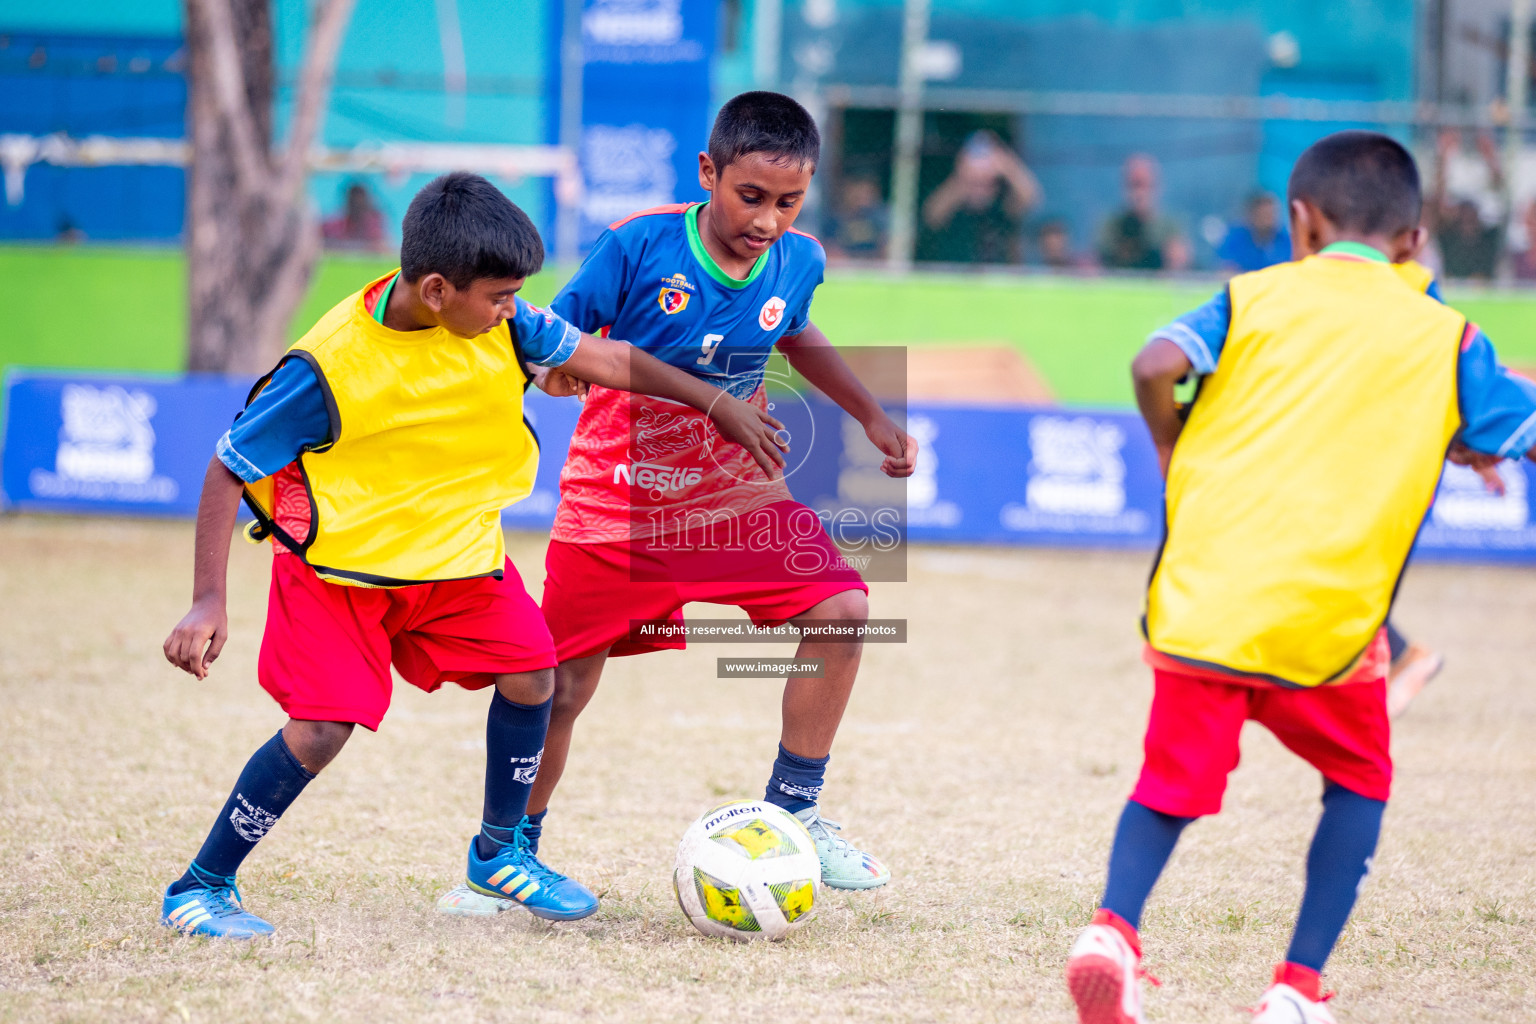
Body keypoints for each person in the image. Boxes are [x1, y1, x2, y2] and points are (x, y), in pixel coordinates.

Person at [157, 172, 789, 938]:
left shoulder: (507, 323)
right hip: (341, 574)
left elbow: (609, 360)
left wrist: (717, 402)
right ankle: (200, 886)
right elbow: (229, 464)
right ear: (434, 289)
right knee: (321, 731)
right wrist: (207, 599)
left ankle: (498, 853)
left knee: (534, 673)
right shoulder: (327, 366)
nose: (511, 310)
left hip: (457, 560)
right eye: (496, 297)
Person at [1064, 131, 1536, 1024]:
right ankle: (1297, 987)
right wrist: (1472, 435)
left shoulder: (1249, 296)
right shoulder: (1448, 338)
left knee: (1167, 788)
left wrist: (1169, 443)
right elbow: (1518, 423)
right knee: (1359, 784)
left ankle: (1112, 932)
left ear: (1301, 221)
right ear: (1415, 236)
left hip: (1204, 603)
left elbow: (1154, 364)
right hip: (1330, 625)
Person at [497, 91, 916, 906]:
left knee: (843, 609)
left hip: (735, 499)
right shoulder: (638, 244)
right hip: (619, 503)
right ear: (709, 173)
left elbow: (792, 328)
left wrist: (870, 413)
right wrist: (561, 374)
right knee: (562, 686)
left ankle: (795, 815)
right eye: (750, 197)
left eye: (788, 202)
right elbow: (556, 348)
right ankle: (508, 851)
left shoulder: (802, 257)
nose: (767, 221)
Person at [920, 130, 1040, 264]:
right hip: (956, 274)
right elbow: (931, 216)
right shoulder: (955, 200)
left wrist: (1007, 165)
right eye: (976, 183)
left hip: (998, 277)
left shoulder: (1003, 205)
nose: (981, 187)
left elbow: (1031, 198)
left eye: (988, 183)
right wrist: (964, 175)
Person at [1429, 130, 1503, 280]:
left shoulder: (1489, 239)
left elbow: (1501, 196)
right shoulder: (1447, 236)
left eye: (1471, 214)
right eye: (1464, 213)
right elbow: (1436, 204)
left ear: (1477, 215)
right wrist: (1444, 159)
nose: (1467, 218)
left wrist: (1490, 158)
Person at [1098, 154, 1191, 272]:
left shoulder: (1171, 227)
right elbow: (1098, 267)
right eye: (1134, 185)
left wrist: (1175, 261)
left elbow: (1180, 268)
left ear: (1157, 186)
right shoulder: (1111, 225)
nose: (1139, 193)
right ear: (1124, 186)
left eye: (1145, 185)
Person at [1217, 191, 1290, 272]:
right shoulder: (1235, 239)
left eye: (1271, 214)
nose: (1268, 220)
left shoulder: (1287, 240)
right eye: (1263, 215)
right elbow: (1226, 269)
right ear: (1251, 214)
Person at [823, 176, 889, 260]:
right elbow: (830, 250)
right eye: (859, 192)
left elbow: (887, 249)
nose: (863, 198)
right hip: (846, 269)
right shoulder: (834, 220)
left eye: (868, 193)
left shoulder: (879, 219)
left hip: (874, 268)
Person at [322, 180, 387, 252]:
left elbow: (381, 247)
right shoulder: (336, 225)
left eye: (360, 204)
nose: (357, 206)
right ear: (348, 202)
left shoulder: (374, 223)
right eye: (353, 202)